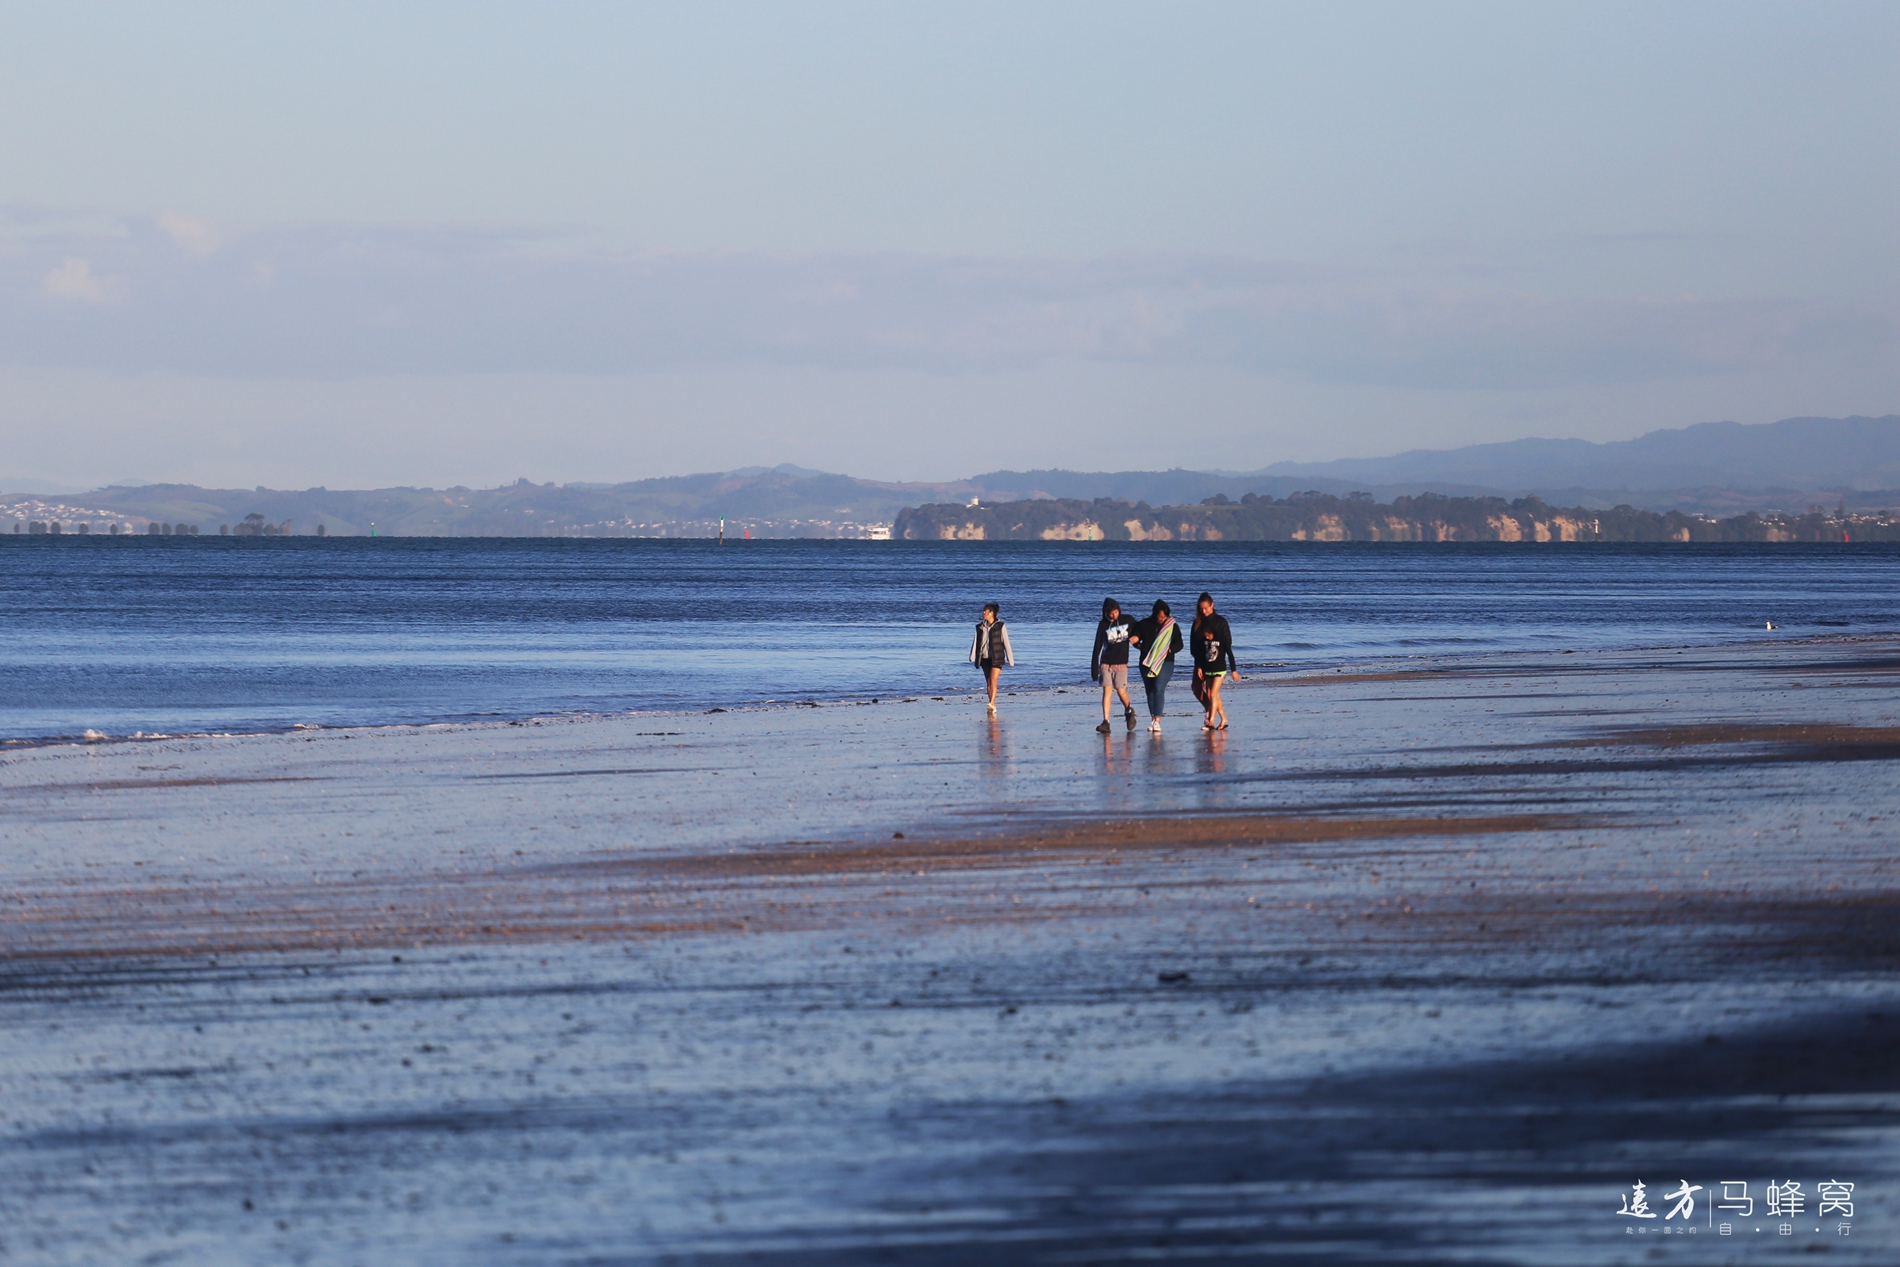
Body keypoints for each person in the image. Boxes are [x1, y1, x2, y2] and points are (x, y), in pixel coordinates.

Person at [1127, 599, 1182, 733]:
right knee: (1150, 691)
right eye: (1159, 617)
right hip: (1147, 661)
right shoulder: (1144, 624)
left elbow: (1179, 644)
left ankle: (1157, 721)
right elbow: (1135, 638)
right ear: (1154, 614)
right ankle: (1153, 719)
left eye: (1164, 617)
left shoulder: (1172, 626)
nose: (1161, 619)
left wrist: (1169, 649)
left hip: (1165, 661)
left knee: (1158, 687)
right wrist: (1138, 644)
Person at [1189, 591, 1237, 730]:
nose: (1204, 611)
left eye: (1206, 608)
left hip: (1216, 664)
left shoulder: (1221, 622)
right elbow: (1194, 646)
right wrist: (1198, 665)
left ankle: (1211, 719)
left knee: (1212, 693)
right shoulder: (1197, 623)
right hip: (1201, 662)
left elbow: (1227, 645)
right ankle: (1211, 709)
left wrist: (1233, 668)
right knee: (1196, 688)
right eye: (1201, 609)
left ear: (1212, 605)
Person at [1090, 597, 1137, 733]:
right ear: (1105, 612)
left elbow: (1140, 629)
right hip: (1106, 663)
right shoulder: (1103, 625)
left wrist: (1138, 640)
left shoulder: (1127, 620)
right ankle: (1106, 722)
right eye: (1111, 613)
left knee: (1121, 691)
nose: (1114, 615)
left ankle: (1129, 710)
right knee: (1107, 690)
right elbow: (1097, 647)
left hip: (1121, 663)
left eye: (1116, 612)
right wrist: (1094, 669)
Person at [968, 601, 1014, 712]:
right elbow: (976, 642)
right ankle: (992, 703)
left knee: (993, 680)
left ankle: (992, 703)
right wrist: (972, 656)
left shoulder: (1000, 626)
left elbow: (1006, 643)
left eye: (985, 611)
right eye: (983, 611)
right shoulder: (979, 627)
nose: (983, 613)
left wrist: (1010, 658)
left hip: (997, 657)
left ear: (991, 612)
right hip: (984, 658)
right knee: (988, 682)